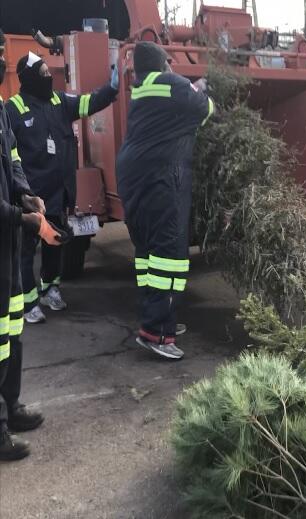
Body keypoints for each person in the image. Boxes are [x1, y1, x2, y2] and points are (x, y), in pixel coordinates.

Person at [116, 41, 214, 360]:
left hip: (134, 177)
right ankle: (157, 333)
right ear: (163, 64)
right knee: (170, 256)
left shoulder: (142, 88)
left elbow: (176, 108)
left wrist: (192, 89)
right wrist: (204, 90)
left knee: (147, 253)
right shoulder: (170, 83)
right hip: (162, 178)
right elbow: (205, 110)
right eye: (169, 62)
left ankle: (155, 316)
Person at [6, 52, 119, 324]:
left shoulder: (59, 101)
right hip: (30, 196)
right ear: (29, 78)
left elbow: (88, 103)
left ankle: (50, 289)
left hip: (58, 193)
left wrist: (112, 88)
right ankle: (30, 303)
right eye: (43, 73)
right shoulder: (14, 108)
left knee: (55, 244)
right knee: (25, 250)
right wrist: (19, 192)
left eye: (48, 71)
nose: (48, 77)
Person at [0, 29, 59, 462]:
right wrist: (23, 217)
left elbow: (13, 158)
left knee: (11, 332)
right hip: (7, 230)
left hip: (8, 244)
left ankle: (11, 407)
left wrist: (25, 193)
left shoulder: (1, 112)